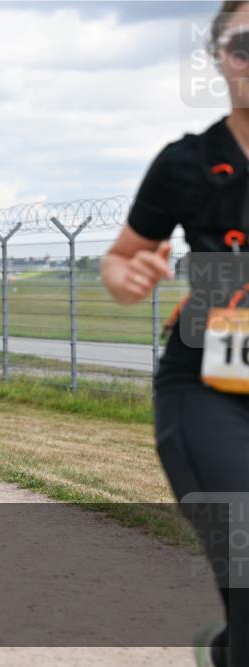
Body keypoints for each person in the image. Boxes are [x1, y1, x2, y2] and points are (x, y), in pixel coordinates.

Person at [102, 4, 249, 666]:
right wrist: (128, 276)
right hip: (210, 385)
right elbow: (122, 255)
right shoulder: (187, 163)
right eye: (245, 45)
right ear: (219, 55)